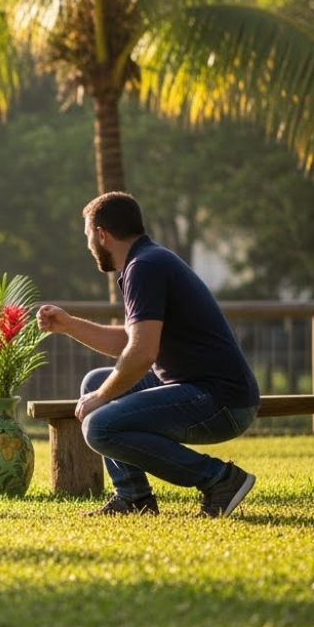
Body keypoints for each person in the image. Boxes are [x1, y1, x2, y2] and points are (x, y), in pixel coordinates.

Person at [36, 192, 261, 518]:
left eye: (87, 236)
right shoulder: (147, 261)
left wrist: (102, 398)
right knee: (93, 381)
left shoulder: (145, 267)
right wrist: (68, 325)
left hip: (221, 401)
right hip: (201, 389)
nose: (88, 247)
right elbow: (132, 341)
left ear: (102, 234)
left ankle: (220, 479)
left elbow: (142, 353)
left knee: (99, 427)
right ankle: (134, 498)